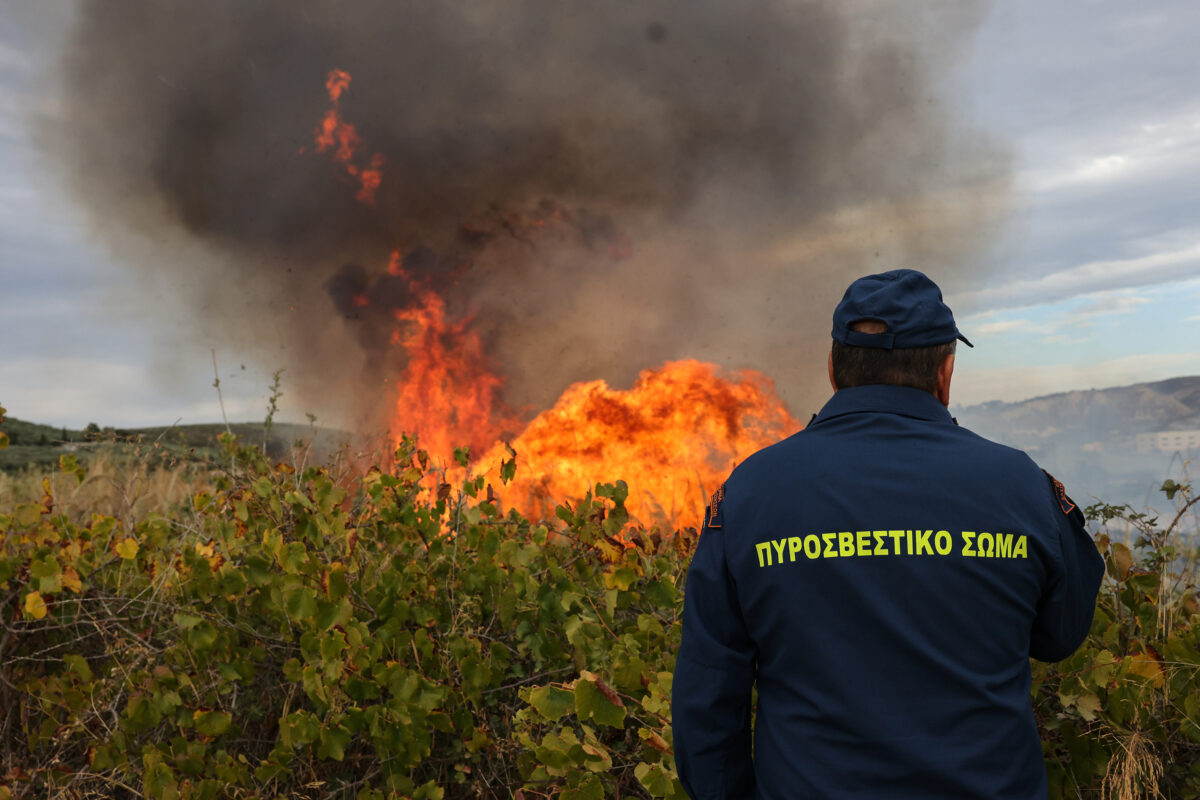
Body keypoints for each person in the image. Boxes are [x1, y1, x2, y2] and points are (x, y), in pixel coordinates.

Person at [671, 269, 1104, 799]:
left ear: (834, 369)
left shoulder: (749, 492)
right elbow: (1060, 636)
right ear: (946, 372)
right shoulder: (1021, 485)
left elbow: (709, 693)